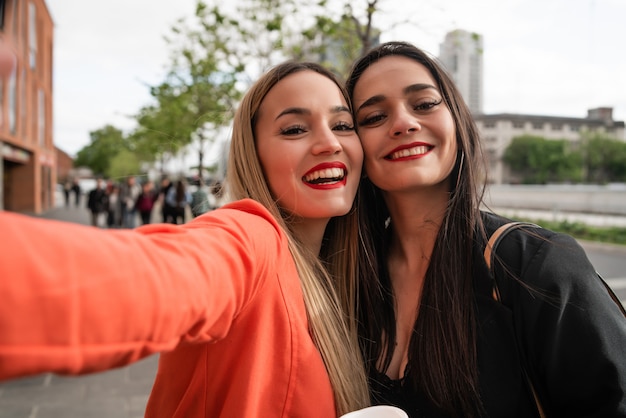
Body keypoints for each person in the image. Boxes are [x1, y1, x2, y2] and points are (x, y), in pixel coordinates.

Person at [0, 61, 370, 417]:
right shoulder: (249, 239)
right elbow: (150, 277)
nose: (328, 143)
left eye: (342, 124)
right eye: (294, 129)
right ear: (252, 155)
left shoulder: (355, 273)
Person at [346, 41, 626, 417]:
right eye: (374, 117)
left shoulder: (537, 265)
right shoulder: (348, 281)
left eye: (425, 104)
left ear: (457, 123)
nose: (403, 123)